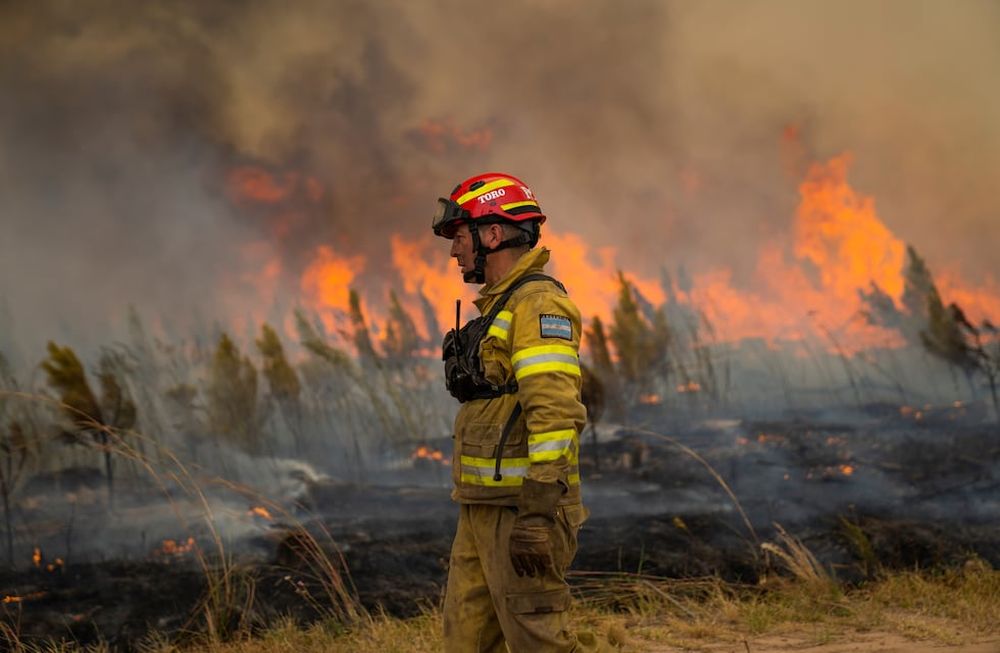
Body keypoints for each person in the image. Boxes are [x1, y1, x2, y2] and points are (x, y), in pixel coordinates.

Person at [433, 172, 595, 652]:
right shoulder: (501, 306)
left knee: (538, 641)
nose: (454, 251)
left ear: (491, 234)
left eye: (459, 237)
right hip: (481, 506)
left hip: (521, 510)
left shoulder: (538, 305)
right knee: (464, 641)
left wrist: (538, 514)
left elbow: (554, 413)